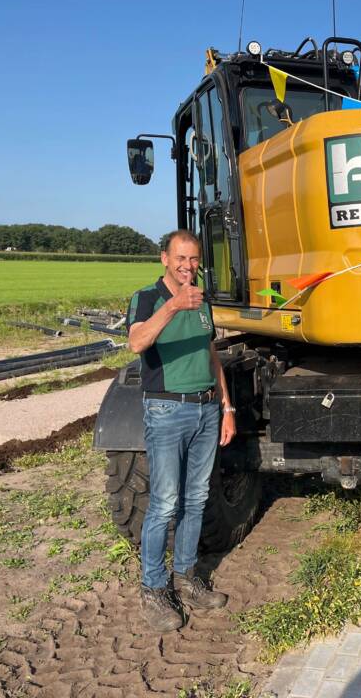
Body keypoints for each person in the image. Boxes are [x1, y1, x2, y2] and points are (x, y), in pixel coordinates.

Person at [127, 229, 236, 632]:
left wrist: (227, 406)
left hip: (207, 409)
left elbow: (212, 355)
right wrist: (173, 306)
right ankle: (154, 588)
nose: (188, 266)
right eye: (181, 258)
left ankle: (187, 577)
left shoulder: (202, 300)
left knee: (197, 498)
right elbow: (136, 343)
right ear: (164, 259)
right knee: (165, 502)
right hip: (166, 410)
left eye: (193, 260)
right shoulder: (148, 298)